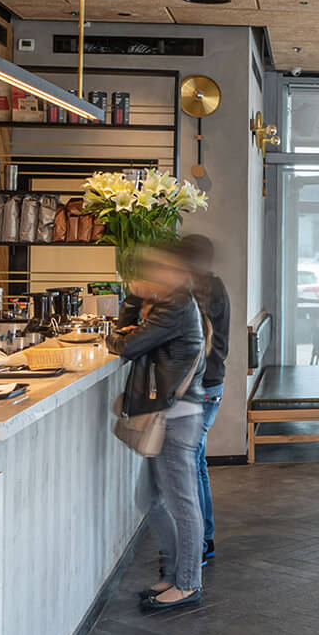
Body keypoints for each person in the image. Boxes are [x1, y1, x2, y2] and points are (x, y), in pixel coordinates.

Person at [114, 239, 209, 613]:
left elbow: (127, 344)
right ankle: (173, 574)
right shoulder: (170, 303)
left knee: (181, 505)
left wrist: (134, 300)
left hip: (176, 417)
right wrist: (136, 302)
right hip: (169, 414)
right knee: (149, 499)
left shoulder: (176, 305)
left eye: (159, 267)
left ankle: (187, 584)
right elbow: (131, 339)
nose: (151, 274)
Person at [182, 235, 230, 568]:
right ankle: (203, 538)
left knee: (192, 465)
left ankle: (199, 542)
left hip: (200, 388)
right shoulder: (217, 288)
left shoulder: (192, 296)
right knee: (197, 463)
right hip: (213, 385)